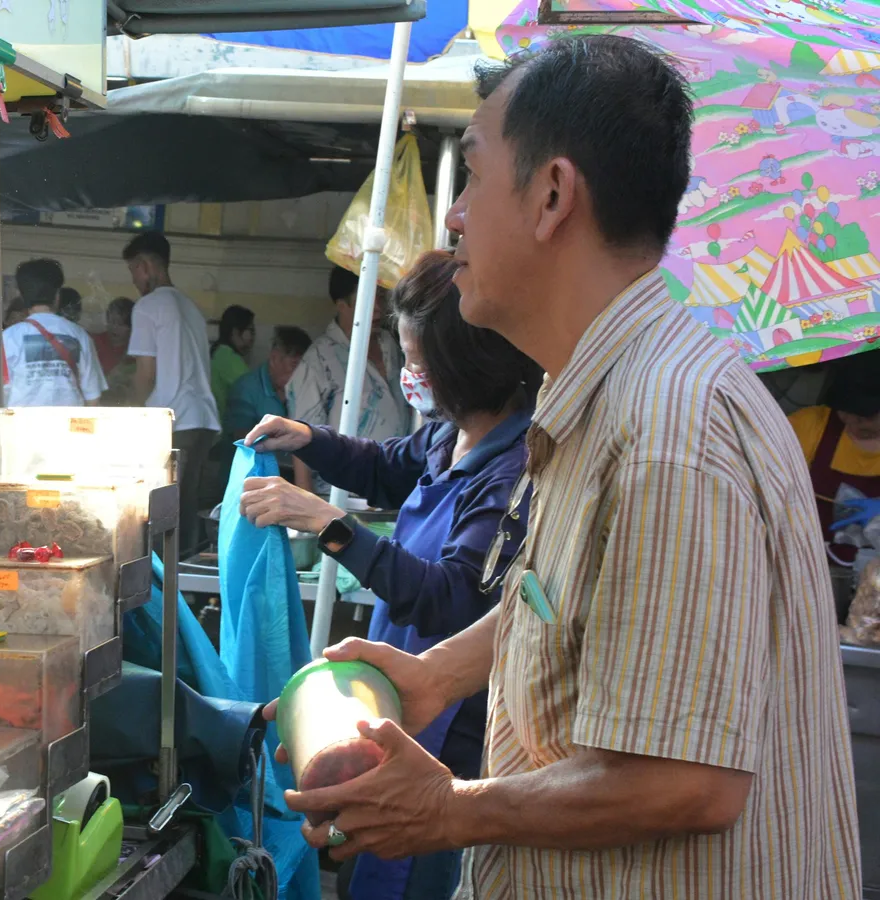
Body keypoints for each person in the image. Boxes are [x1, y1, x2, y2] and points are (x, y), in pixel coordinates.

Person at [262, 35, 860, 898]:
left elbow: (686, 780)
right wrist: (436, 676)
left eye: (470, 175)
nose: (455, 216)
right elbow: (563, 600)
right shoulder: (598, 400)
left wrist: (450, 809)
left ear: (551, 196)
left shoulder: (666, 433)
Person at [239, 250, 540, 900]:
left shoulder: (513, 471)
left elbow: (452, 601)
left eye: (416, 362)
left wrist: (330, 525)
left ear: (462, 367)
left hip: (453, 732)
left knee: (419, 873)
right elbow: (382, 465)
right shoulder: (447, 436)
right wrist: (306, 439)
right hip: (398, 702)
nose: (409, 375)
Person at [123, 232, 219, 554]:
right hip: (203, 421)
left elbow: (145, 374)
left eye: (134, 272)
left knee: (162, 510)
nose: (135, 281)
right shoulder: (190, 306)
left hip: (172, 422)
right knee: (186, 505)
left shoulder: (148, 307)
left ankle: (167, 586)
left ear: (146, 266)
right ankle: (185, 579)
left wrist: (129, 414)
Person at [288, 266, 411, 495]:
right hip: (344, 492)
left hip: (396, 486)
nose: (377, 309)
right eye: (367, 299)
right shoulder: (319, 359)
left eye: (380, 297)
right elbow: (300, 434)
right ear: (341, 305)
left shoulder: (393, 346)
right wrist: (305, 498)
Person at [789, 351, 880, 583]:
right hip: (805, 572)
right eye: (846, 411)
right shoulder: (810, 427)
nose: (851, 422)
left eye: (864, 416)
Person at [3, 258, 106, 407]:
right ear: (58, 294)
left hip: (20, 427)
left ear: (21, 295)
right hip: (68, 427)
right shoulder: (79, 335)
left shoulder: (8, 338)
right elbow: (93, 397)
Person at [224, 326, 310, 444]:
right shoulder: (245, 389)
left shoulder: (305, 388)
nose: (301, 373)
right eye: (295, 365)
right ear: (275, 359)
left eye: (305, 367)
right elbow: (242, 437)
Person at [209, 304, 255, 423]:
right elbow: (253, 390)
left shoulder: (219, 352)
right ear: (235, 332)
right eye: (250, 330)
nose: (253, 337)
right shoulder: (227, 357)